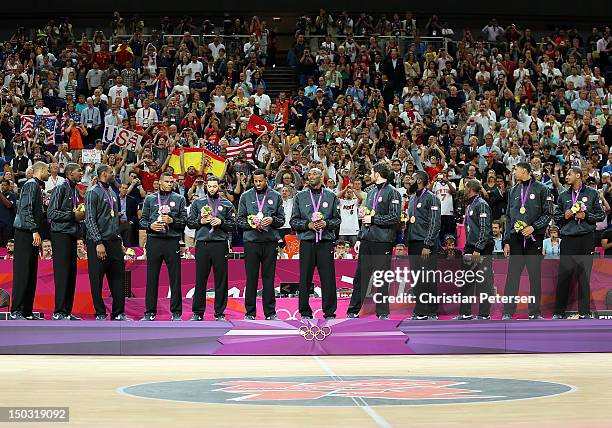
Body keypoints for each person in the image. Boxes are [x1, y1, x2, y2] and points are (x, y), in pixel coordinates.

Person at [347, 162, 401, 319]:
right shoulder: (370, 193)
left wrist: (374, 219)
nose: (369, 175)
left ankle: (383, 312)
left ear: (377, 173)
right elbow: (365, 218)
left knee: (382, 277)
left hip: (382, 240)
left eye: (371, 172)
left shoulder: (393, 193)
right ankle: (353, 310)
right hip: (367, 239)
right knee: (361, 276)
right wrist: (359, 238)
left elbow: (395, 217)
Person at [552, 167, 605, 319]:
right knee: (564, 277)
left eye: (569, 174)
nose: (566, 176)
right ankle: (558, 312)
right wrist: (565, 215)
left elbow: (601, 215)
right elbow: (557, 218)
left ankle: (585, 312)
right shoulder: (563, 195)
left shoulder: (592, 193)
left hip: (586, 239)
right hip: (568, 240)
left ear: (578, 176)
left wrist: (586, 214)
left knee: (584, 277)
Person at [502, 162, 553, 320]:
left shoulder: (542, 189)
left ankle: (535, 312)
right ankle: (508, 311)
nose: (514, 171)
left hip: (533, 239)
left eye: (516, 169)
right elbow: (509, 217)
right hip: (516, 239)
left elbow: (549, 213)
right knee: (512, 276)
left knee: (535, 276)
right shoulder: (512, 191)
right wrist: (507, 241)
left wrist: (534, 227)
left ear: (525, 170)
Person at [290, 168, 341, 319]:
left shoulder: (331, 196)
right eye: (309, 174)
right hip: (307, 242)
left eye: (315, 174)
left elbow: (337, 220)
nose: (311, 176)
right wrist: (308, 225)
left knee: (328, 278)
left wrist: (326, 223)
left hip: (325, 242)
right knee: (305, 278)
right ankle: (305, 312)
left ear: (322, 177)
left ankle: (330, 312)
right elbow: (293, 221)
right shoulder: (300, 196)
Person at [237, 169, 285, 320]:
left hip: (270, 242)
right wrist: (250, 223)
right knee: (251, 278)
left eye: (261, 181)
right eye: (255, 181)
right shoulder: (245, 196)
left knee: (269, 278)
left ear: (266, 179)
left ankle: (270, 313)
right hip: (251, 242)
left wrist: (272, 220)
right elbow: (239, 220)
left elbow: (282, 220)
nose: (258, 184)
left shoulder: (275, 196)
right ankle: (250, 313)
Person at [140, 172, 188, 321]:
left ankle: (176, 313)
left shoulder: (179, 199)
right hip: (154, 241)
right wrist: (151, 226)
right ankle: (149, 312)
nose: (169, 184)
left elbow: (184, 222)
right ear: (159, 182)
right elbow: (142, 221)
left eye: (171, 181)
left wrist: (172, 221)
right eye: (166, 181)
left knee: (175, 278)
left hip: (172, 241)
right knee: (152, 278)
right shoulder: (150, 198)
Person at [187, 175, 236, 321]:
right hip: (203, 244)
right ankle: (198, 312)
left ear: (219, 186)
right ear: (206, 186)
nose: (212, 189)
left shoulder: (227, 204)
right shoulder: (198, 203)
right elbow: (189, 223)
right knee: (200, 279)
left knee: (221, 280)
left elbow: (233, 226)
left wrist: (221, 222)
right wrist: (201, 221)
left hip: (220, 245)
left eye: (215, 186)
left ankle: (219, 313)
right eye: (210, 186)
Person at [84, 165, 130, 321]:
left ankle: (118, 313)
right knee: (97, 279)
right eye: (111, 172)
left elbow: (114, 219)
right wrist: (98, 242)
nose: (114, 175)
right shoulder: (92, 193)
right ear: (104, 174)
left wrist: (120, 240)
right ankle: (100, 313)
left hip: (114, 241)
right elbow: (89, 219)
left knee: (118, 277)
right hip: (99, 242)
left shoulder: (112, 192)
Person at [10, 161, 48, 320]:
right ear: (41, 170)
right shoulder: (31, 184)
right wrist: (34, 230)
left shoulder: (36, 186)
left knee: (31, 273)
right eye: (47, 170)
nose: (48, 173)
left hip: (32, 234)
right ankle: (16, 310)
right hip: (26, 234)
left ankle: (27, 311)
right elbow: (25, 209)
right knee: (23, 272)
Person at [47, 163, 84, 320]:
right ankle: (59, 311)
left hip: (71, 234)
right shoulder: (61, 187)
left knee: (71, 274)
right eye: (79, 171)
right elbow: (52, 213)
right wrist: (72, 215)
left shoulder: (74, 189)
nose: (81, 173)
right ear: (70, 173)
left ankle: (67, 311)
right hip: (60, 234)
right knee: (62, 274)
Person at [455, 179, 495, 320]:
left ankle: (484, 314)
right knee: (467, 281)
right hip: (470, 246)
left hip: (481, 248)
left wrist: (478, 249)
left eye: (465, 187)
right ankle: (465, 313)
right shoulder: (470, 204)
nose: (463, 190)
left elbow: (485, 229)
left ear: (471, 188)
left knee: (483, 282)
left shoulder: (481, 204)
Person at [406, 170, 441, 320]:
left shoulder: (432, 198)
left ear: (419, 181)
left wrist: (427, 244)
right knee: (417, 278)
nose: (409, 181)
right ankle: (420, 310)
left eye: (412, 178)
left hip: (426, 243)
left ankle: (432, 310)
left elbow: (435, 222)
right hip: (413, 242)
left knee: (428, 277)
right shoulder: (413, 198)